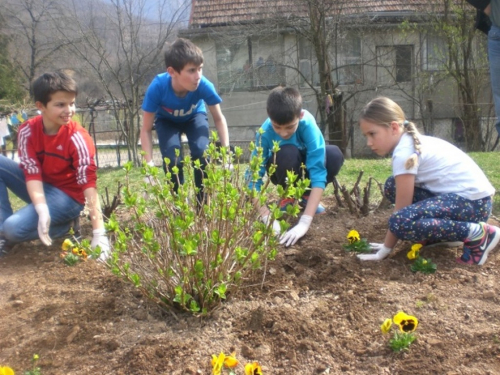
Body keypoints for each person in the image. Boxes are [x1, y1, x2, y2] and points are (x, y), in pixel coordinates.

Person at [357, 96, 500, 265]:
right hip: (471, 203)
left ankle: (479, 234)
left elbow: (400, 211)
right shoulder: (408, 143)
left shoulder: (404, 152)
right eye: (366, 135)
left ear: (394, 127)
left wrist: (385, 249)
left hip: (473, 206)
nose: (368, 142)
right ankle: (445, 234)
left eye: (372, 134)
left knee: (400, 222)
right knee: (392, 186)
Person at [0, 70, 110, 260]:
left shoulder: (77, 137)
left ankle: (64, 228)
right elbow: (32, 173)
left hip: (68, 198)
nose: (69, 110)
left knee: (13, 229)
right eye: (60, 105)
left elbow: (89, 184)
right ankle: (2, 235)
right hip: (42, 188)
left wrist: (99, 234)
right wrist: (42, 208)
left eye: (72, 103)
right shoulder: (27, 131)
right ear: (40, 106)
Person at [248, 86, 344, 247]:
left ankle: (307, 196)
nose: (283, 133)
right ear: (269, 117)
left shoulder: (308, 126)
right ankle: (288, 196)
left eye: (290, 127)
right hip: (283, 167)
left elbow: (318, 170)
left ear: (300, 115)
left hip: (306, 169)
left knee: (334, 154)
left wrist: (304, 222)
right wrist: (266, 217)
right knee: (287, 152)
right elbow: (253, 177)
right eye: (277, 127)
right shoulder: (264, 132)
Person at [140, 38, 230, 203]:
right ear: (172, 72)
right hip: (166, 121)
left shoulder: (203, 85)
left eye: (200, 69)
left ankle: (202, 205)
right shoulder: (157, 87)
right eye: (191, 70)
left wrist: (226, 155)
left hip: (194, 117)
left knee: (202, 153)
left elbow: (219, 119)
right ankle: (179, 205)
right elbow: (145, 129)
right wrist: (149, 167)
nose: (198, 76)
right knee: (172, 159)